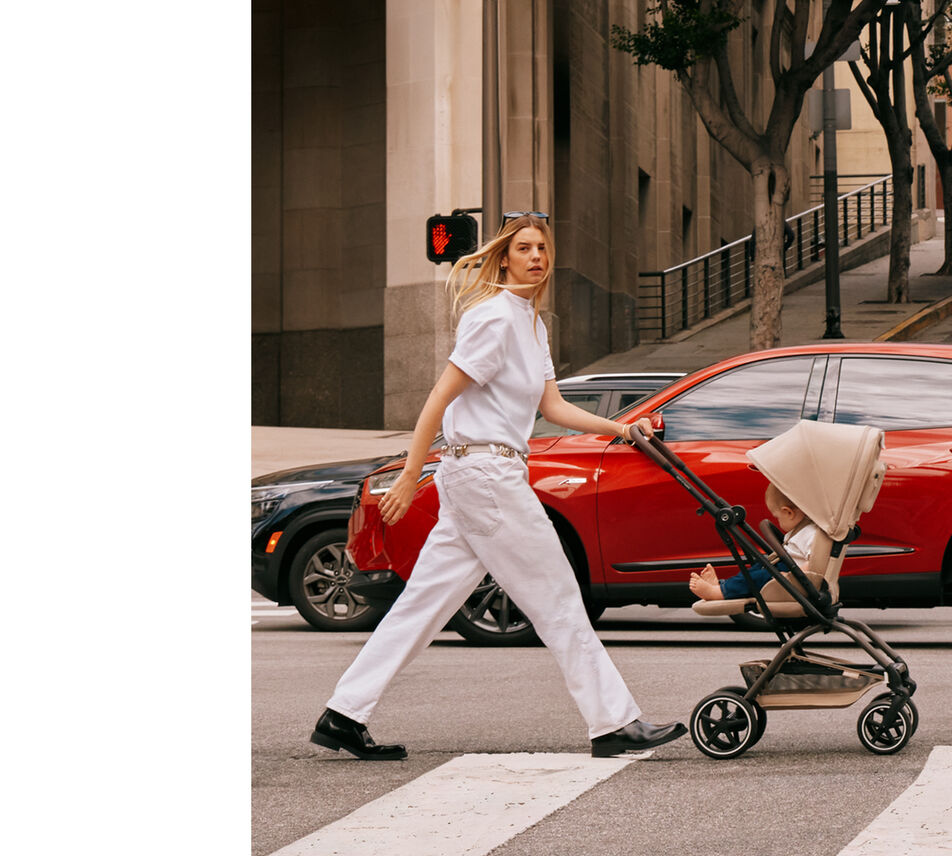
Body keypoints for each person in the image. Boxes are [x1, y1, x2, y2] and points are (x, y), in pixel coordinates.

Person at [310, 213, 686, 760]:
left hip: (485, 474)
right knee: (558, 596)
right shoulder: (493, 317)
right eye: (524, 248)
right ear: (504, 257)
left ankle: (343, 714)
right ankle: (613, 722)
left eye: (542, 248)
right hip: (485, 473)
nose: (536, 256)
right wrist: (412, 476)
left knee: (422, 604)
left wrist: (622, 429)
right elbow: (437, 400)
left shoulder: (533, 324)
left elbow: (553, 408)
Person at [689, 483, 818, 601]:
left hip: (793, 576)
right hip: (784, 565)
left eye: (777, 517)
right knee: (755, 569)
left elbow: (814, 562)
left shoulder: (810, 534)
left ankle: (718, 593)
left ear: (788, 513)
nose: (777, 522)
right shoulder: (801, 530)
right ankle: (722, 586)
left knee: (757, 577)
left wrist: (794, 576)